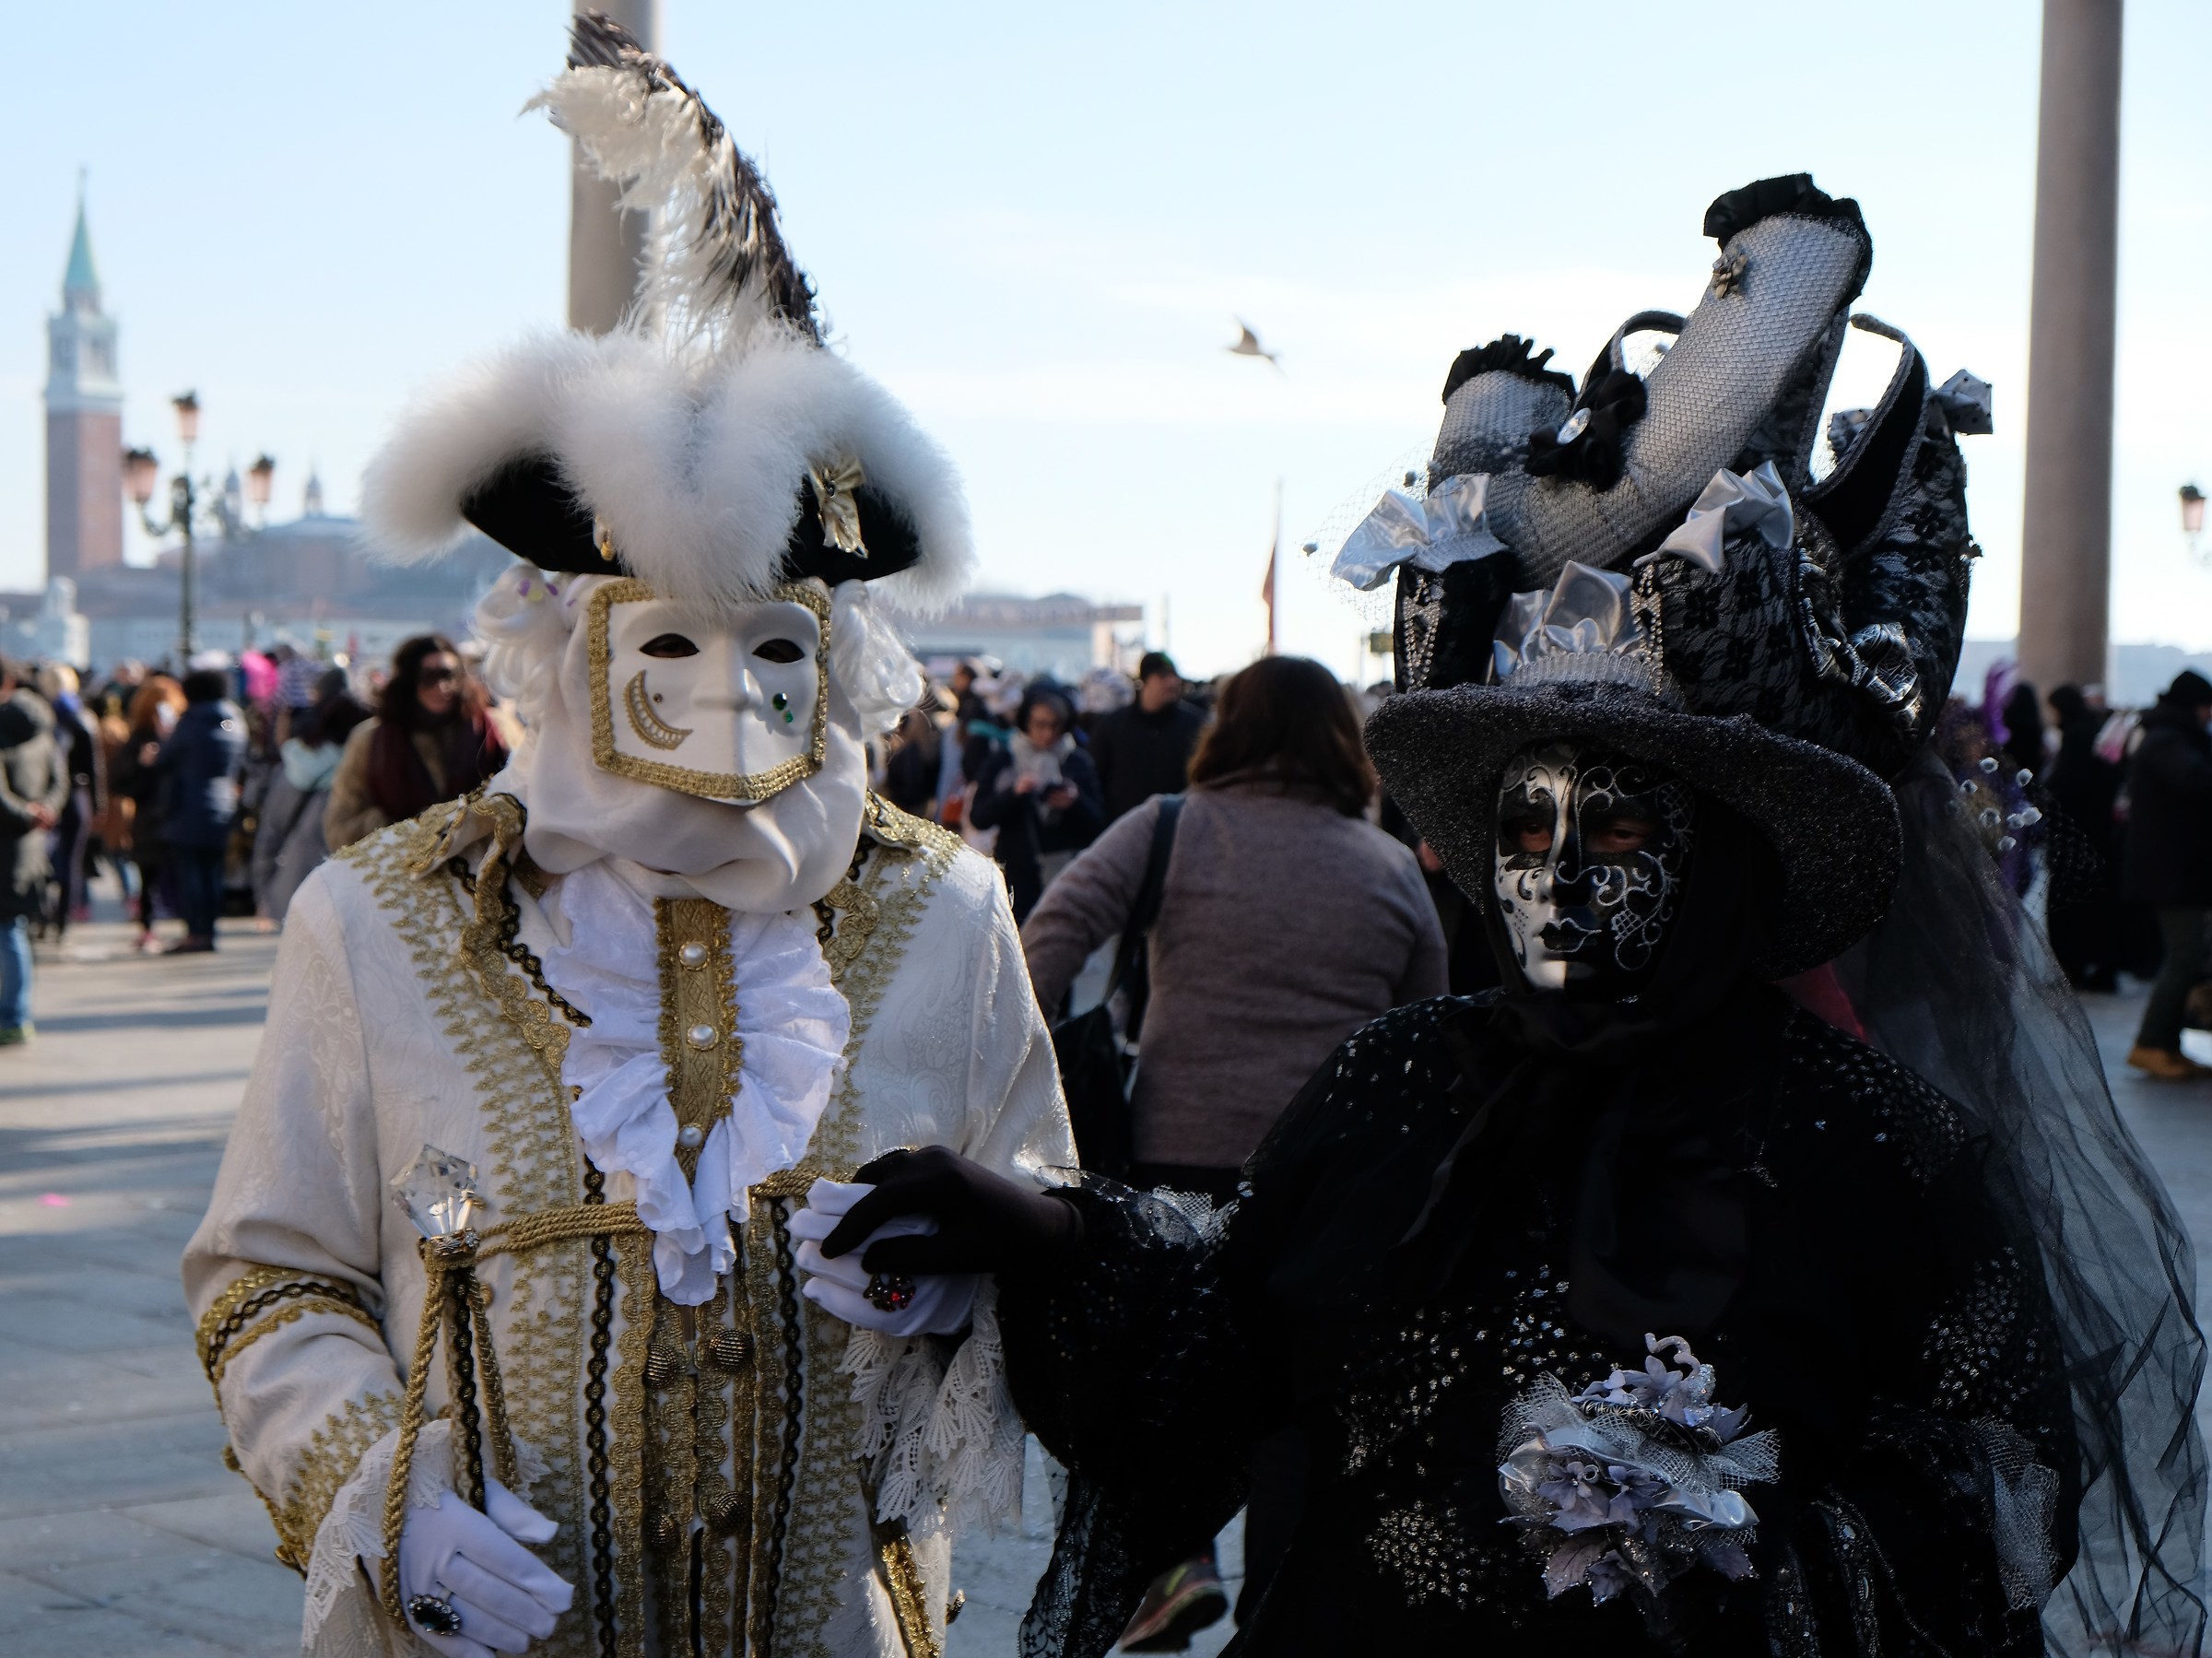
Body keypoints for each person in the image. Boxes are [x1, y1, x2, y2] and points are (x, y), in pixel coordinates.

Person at [803, 174, 2206, 1656]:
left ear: (1722, 856)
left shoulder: (1875, 1149)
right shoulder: (1401, 1084)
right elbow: (1226, 1339)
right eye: (1526, 822)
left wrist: (1733, 1542)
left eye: (1614, 824)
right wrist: (1036, 1225)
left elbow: (1985, 1498)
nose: (1554, 870)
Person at [183, 22, 1073, 1658]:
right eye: (667, 640)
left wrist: (981, 1290)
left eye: (773, 641)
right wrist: (373, 1495)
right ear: (569, 636)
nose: (725, 694)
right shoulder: (376, 918)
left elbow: (1046, 1218)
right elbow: (268, 1273)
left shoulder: (950, 910)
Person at [1020, 653, 1447, 1644]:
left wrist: (1028, 1062)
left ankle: (1175, 1564)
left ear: (1228, 729)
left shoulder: (1169, 826)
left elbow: (1051, 930)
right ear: (1345, 741)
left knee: (1174, 1380)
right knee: (1300, 1408)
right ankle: (1274, 1611)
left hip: (1180, 1159)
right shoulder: (1385, 864)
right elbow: (1434, 1030)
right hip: (1338, 1188)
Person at [323, 635, 509, 853]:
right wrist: (407, 829)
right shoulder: (370, 740)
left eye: (448, 674)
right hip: (401, 869)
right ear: (408, 682)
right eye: (428, 677)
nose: (441, 686)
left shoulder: (491, 729)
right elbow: (340, 825)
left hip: (479, 866)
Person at [2119, 669, 2212, 1078]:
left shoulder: (2168, 736)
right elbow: (2195, 779)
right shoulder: (2167, 740)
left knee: (2186, 956)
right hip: (2173, 872)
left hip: (2179, 868)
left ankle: (2167, 1046)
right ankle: (2150, 1043)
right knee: (2185, 956)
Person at [969, 682, 1105, 921]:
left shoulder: (1077, 761)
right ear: (1025, 722)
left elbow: (1099, 825)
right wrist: (1014, 792)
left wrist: (1075, 802)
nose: (1048, 733)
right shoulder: (1005, 758)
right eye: (1040, 724)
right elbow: (979, 817)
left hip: (1065, 877)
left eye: (1055, 725)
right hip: (1016, 876)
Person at [252, 669, 371, 925]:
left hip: (298, 885)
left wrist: (263, 892)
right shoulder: (370, 767)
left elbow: (270, 833)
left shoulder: (295, 764)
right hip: (358, 887)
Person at [154, 667, 247, 954]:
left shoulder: (191, 722)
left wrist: (163, 738)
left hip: (188, 806)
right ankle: (209, 931)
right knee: (213, 873)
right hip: (223, 805)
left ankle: (195, 933)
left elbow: (165, 760)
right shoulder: (234, 722)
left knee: (191, 874)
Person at [0, 661, 67, 1042]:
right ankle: (16, 1013)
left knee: (8, 931)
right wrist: (44, 811)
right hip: (31, 843)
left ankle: (12, 1015)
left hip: (9, 838)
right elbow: (58, 779)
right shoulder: (43, 727)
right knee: (16, 929)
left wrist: (26, 814)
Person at [2044, 685, 2124, 993]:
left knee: (2071, 903)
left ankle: (2072, 966)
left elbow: (2071, 785)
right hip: (2097, 835)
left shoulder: (2076, 735)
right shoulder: (2093, 731)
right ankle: (2096, 965)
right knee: (2095, 905)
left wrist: (2048, 799)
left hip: (2076, 835)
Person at [109, 675, 186, 953]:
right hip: (149, 818)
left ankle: (186, 925)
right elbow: (120, 782)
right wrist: (143, 765)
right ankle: (147, 926)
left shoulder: (180, 737)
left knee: (177, 872)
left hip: (175, 814)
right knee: (148, 875)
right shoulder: (138, 740)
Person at [1089, 651, 1207, 822]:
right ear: (1145, 681)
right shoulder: (1112, 726)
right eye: (1163, 676)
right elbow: (1095, 778)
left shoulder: (1195, 725)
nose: (1173, 682)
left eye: (1175, 676)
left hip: (1179, 827)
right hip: (1125, 828)